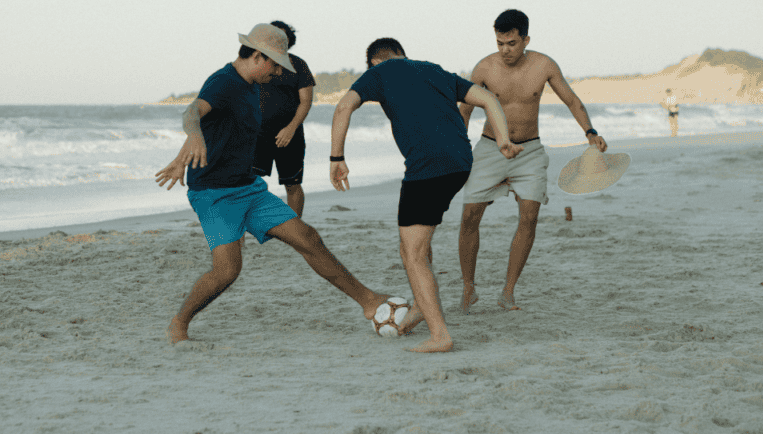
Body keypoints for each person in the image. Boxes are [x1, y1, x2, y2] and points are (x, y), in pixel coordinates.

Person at [155, 23, 391, 344]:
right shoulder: (224, 82)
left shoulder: (253, 85)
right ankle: (179, 323)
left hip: (248, 187)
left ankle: (369, 301)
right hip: (215, 193)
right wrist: (192, 138)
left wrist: (187, 151)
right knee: (226, 271)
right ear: (257, 57)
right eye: (277, 64)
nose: (280, 72)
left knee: (308, 237)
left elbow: (215, 126)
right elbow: (193, 111)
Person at [330, 38, 521, 353]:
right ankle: (420, 306)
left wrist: (337, 158)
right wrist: (502, 139)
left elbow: (342, 107)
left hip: (427, 167)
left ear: (374, 62)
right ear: (403, 54)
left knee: (413, 253)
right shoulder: (432, 70)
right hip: (459, 162)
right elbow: (487, 97)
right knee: (412, 244)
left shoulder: (379, 72)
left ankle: (440, 335)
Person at [458, 9, 608, 313]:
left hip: (529, 152)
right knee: (470, 218)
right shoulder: (484, 68)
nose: (505, 50)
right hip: (490, 149)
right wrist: (458, 147)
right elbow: (465, 110)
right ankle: (469, 288)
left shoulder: (544, 65)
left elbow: (571, 100)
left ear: (526, 39)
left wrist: (590, 131)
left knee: (528, 218)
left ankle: (508, 292)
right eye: (500, 43)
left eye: (512, 43)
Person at [251, 20, 315, 217]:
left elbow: (305, 101)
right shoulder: (255, 62)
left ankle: (296, 230)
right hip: (256, 134)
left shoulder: (298, 64)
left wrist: (291, 128)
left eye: (281, 36)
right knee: (248, 182)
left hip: (290, 134)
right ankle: (243, 230)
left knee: (292, 184)